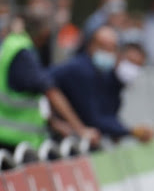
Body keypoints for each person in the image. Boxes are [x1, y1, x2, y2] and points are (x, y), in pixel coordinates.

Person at [0, 12, 99, 153]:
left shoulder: (10, 45)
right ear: (44, 33)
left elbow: (27, 95)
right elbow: (50, 91)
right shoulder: (22, 52)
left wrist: (55, 123)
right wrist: (81, 129)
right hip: (13, 140)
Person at [50, 26, 152, 144]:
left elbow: (106, 113)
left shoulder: (102, 73)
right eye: (104, 47)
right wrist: (130, 131)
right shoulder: (81, 70)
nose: (109, 52)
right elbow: (93, 118)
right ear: (91, 45)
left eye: (113, 48)